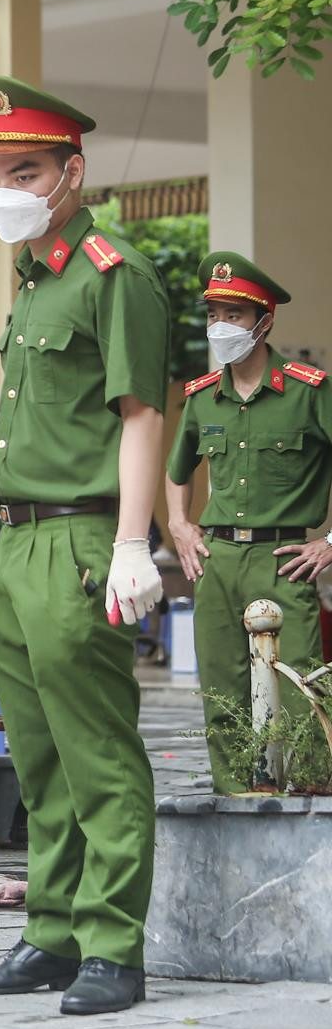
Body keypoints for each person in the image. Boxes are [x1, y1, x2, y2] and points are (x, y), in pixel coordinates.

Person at [0, 77, 169, 1016]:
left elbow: (144, 413)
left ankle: (114, 947)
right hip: (16, 541)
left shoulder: (114, 275)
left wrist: (132, 542)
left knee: (98, 755)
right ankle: (52, 933)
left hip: (81, 539)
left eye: (24, 169)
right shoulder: (36, 277)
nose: (4, 186)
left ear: (71, 171)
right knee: (35, 756)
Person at [165, 253, 332, 793]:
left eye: (233, 315)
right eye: (214, 314)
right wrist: (180, 525)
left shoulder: (308, 391)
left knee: (303, 693)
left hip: (286, 561)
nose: (221, 327)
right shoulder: (201, 397)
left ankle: (310, 809)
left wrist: (330, 542)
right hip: (218, 561)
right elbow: (177, 470)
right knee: (222, 696)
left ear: (264, 321)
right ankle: (236, 805)